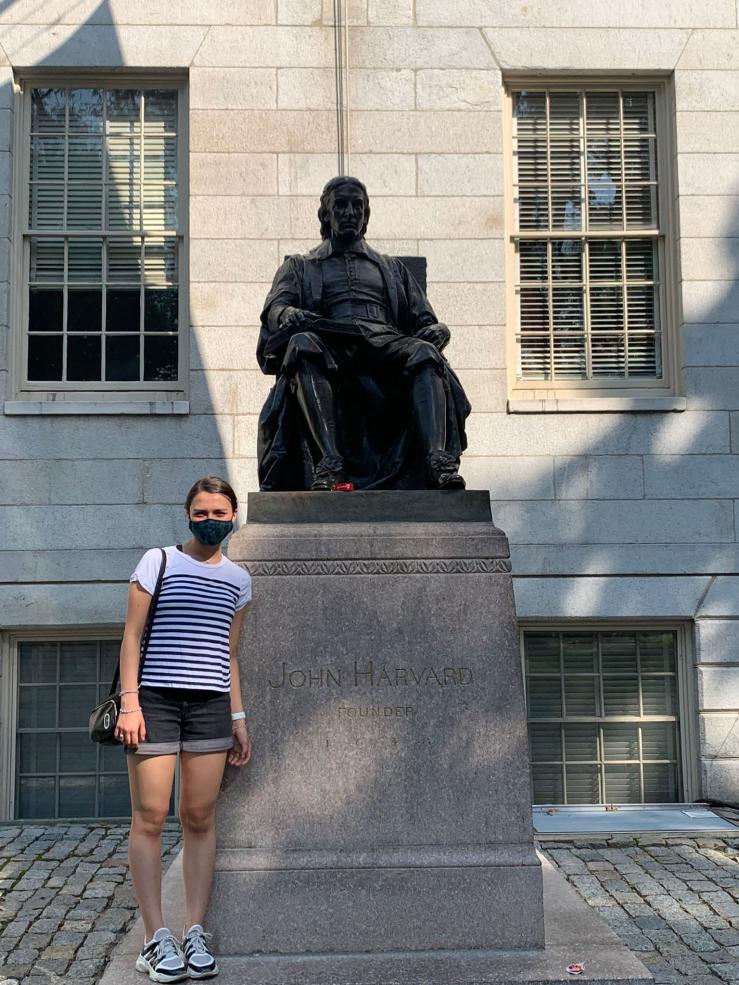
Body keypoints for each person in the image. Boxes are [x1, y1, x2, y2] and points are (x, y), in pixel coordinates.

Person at [116, 475, 252, 982]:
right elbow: (131, 638)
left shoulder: (240, 579)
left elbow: (229, 653)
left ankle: (194, 930)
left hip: (211, 705)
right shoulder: (160, 561)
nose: (211, 521)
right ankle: (155, 938)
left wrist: (238, 717)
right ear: (188, 514)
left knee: (199, 817)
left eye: (220, 514)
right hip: (153, 702)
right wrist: (130, 703)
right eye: (202, 512)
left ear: (232, 517)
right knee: (150, 816)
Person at [257, 175, 471, 491]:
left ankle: (438, 461)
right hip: (331, 344)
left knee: (425, 353)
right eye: (340, 205)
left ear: (366, 215)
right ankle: (330, 463)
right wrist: (287, 313)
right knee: (301, 344)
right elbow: (277, 308)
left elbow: (425, 320)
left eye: (358, 205)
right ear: (325, 214)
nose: (349, 212)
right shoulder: (301, 266)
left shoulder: (391, 268)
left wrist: (439, 330)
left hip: (384, 346)